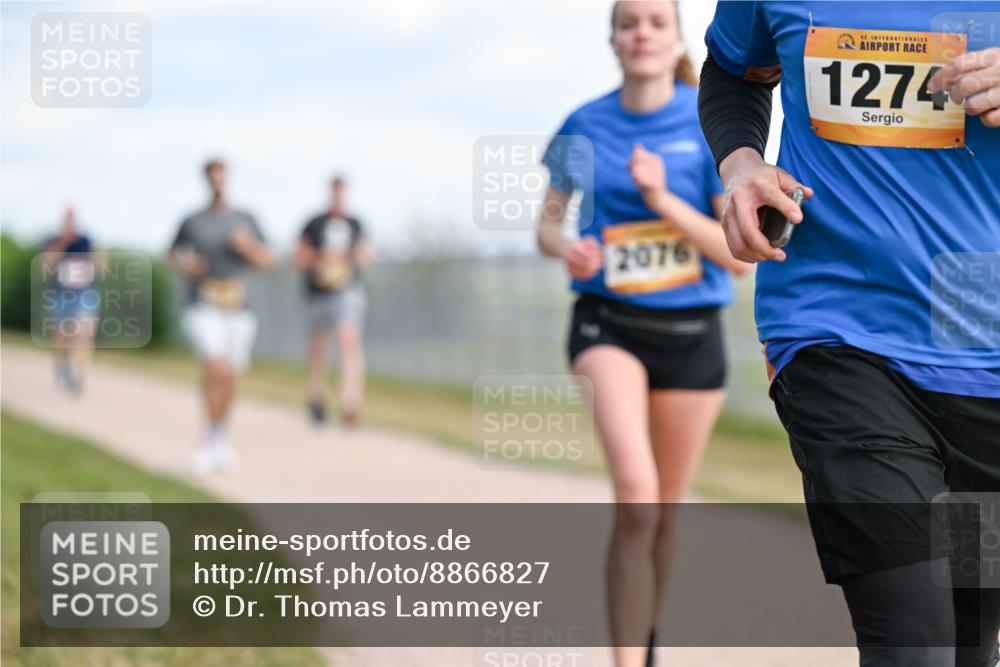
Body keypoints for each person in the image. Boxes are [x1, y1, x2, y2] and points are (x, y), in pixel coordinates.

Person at [700, 2, 999, 665]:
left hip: (986, 351)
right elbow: (732, 74)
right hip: (837, 333)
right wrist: (741, 165)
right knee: (914, 640)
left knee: (973, 637)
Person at [537, 2, 749, 665]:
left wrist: (663, 201)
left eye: (657, 21)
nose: (642, 33)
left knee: (664, 511)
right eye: (629, 22)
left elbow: (737, 255)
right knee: (636, 495)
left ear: (676, 37)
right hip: (609, 325)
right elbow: (546, 225)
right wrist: (564, 248)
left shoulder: (707, 122)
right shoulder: (584, 123)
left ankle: (644, 638)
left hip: (692, 332)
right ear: (612, 38)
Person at [168, 159, 274, 474]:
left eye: (221, 177)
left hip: (238, 308)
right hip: (203, 304)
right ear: (205, 180)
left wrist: (247, 247)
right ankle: (207, 438)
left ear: (228, 179)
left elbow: (267, 259)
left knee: (229, 375)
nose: (217, 182)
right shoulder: (192, 221)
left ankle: (220, 435)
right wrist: (187, 265)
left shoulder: (246, 219)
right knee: (213, 366)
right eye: (212, 177)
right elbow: (172, 255)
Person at [294, 175, 373, 427]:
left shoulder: (355, 224)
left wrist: (346, 258)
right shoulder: (314, 224)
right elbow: (299, 255)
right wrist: (321, 259)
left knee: (348, 340)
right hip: (318, 293)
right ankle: (316, 397)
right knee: (319, 347)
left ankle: (350, 402)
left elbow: (366, 255)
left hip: (346, 291)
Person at [39, 206, 100, 395]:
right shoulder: (53, 239)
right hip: (62, 293)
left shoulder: (86, 240)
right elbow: (45, 266)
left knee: (85, 332)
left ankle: (78, 375)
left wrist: (95, 263)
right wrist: (62, 244)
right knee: (62, 335)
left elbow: (100, 265)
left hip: (84, 291)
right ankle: (62, 365)